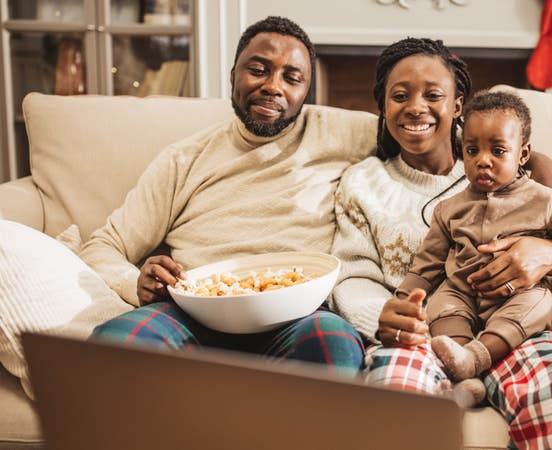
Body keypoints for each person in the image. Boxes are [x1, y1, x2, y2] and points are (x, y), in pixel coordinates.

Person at [330, 37, 552, 448]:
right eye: (399, 96)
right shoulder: (362, 182)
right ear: (382, 106)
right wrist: (390, 315)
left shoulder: (530, 178)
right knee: (399, 401)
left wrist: (549, 258)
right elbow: (353, 276)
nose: (416, 107)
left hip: (519, 328)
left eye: (434, 95)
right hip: (426, 330)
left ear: (458, 104)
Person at [82, 16, 378, 375]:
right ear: (233, 75)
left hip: (299, 313)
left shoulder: (343, 132)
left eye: (292, 78)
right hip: (194, 310)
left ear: (307, 92)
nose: (273, 86)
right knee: (115, 345)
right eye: (258, 70)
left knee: (335, 347)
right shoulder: (184, 159)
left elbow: (426, 134)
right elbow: (104, 246)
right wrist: (135, 283)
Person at [394, 90, 552, 405]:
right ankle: (463, 371)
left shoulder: (543, 200)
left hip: (518, 294)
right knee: (441, 306)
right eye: (472, 150)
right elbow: (426, 264)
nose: (483, 161)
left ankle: (474, 358)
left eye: (498, 151)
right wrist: (405, 299)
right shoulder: (448, 209)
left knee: (540, 304)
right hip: (462, 288)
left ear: (523, 154)